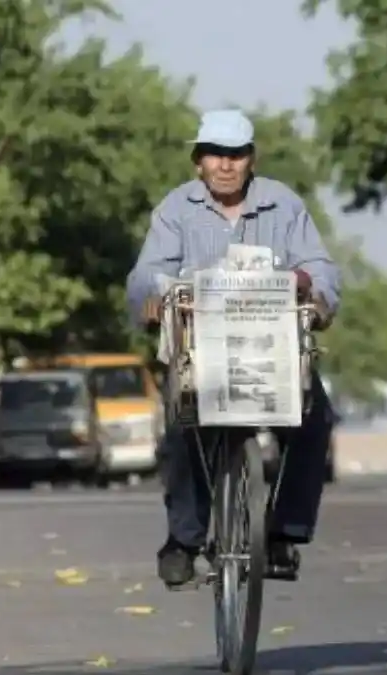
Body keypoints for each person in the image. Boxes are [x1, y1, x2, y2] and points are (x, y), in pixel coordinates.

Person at [126, 109, 341, 587]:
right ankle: (184, 540)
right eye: (215, 154)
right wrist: (154, 300)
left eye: (236, 154)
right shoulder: (175, 209)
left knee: (315, 419)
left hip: (272, 354)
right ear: (198, 161)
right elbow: (146, 273)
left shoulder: (283, 205)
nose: (225, 165)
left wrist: (312, 288)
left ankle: (285, 532)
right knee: (181, 429)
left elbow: (320, 265)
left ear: (251, 159)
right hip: (200, 353)